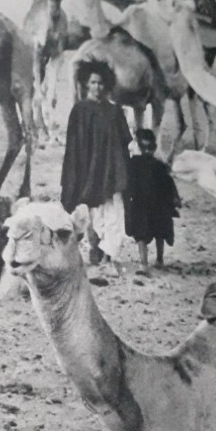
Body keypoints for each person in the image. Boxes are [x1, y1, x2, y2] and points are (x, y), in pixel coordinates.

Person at [60, 60, 132, 277]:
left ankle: (110, 258)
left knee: (112, 213)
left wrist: (122, 171)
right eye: (93, 83)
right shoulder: (79, 111)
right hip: (88, 171)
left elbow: (123, 143)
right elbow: (73, 147)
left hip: (111, 170)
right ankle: (96, 249)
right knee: (93, 214)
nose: (97, 87)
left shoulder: (114, 111)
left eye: (101, 83)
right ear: (86, 84)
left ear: (106, 84)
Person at [125, 127, 181, 274]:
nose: (147, 151)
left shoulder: (133, 164)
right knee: (159, 232)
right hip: (156, 205)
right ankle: (159, 260)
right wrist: (174, 201)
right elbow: (169, 184)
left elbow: (128, 184)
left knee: (142, 234)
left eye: (149, 147)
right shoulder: (159, 165)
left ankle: (145, 263)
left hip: (141, 205)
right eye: (146, 147)